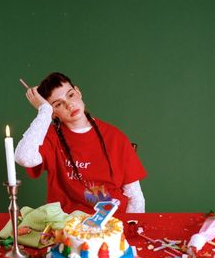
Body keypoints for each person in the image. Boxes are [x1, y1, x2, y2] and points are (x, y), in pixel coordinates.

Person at [14, 72, 147, 215]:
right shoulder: (50, 137)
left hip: (112, 223)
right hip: (66, 225)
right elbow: (24, 157)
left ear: (78, 92)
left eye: (70, 95)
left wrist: (130, 228)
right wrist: (44, 111)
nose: (69, 104)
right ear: (53, 113)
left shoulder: (115, 137)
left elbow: (135, 196)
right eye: (58, 104)